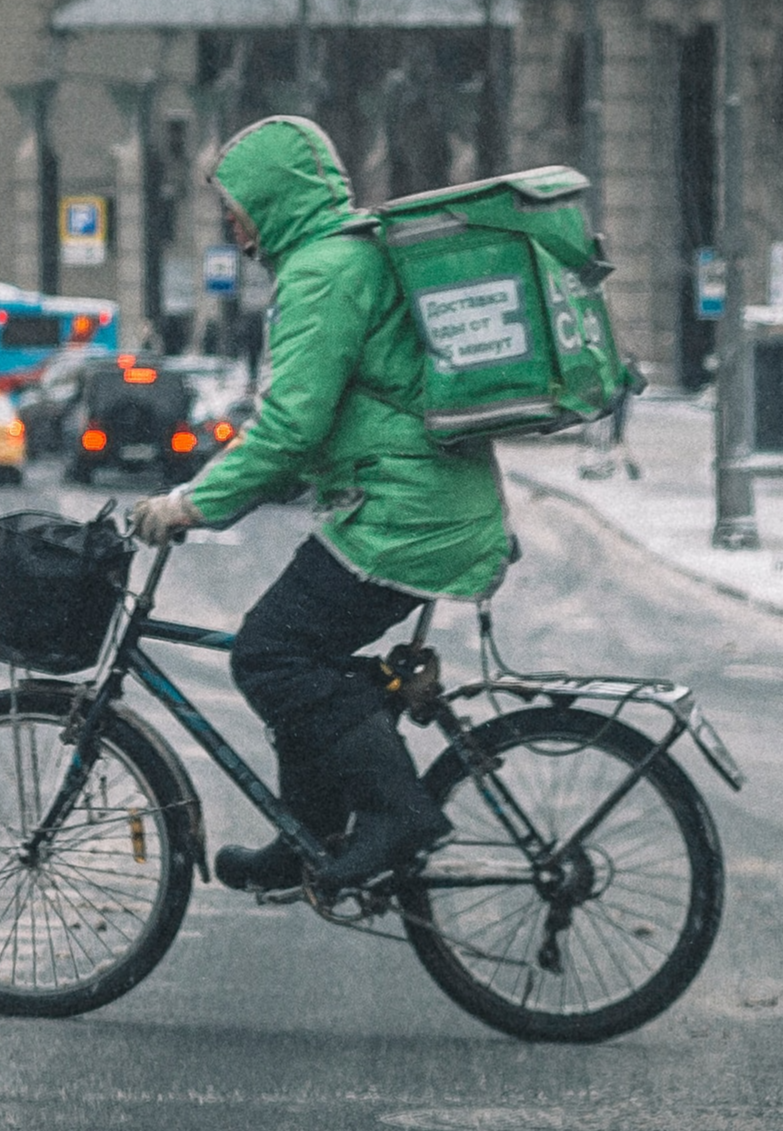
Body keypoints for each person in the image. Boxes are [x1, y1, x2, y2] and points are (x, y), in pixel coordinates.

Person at [128, 117, 512, 896]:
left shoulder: (325, 272)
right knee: (302, 659)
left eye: (237, 207)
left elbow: (291, 428)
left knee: (270, 652)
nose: (233, 228)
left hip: (406, 515)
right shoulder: (341, 255)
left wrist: (189, 504)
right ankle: (309, 836)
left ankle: (397, 812)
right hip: (414, 503)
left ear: (272, 199)